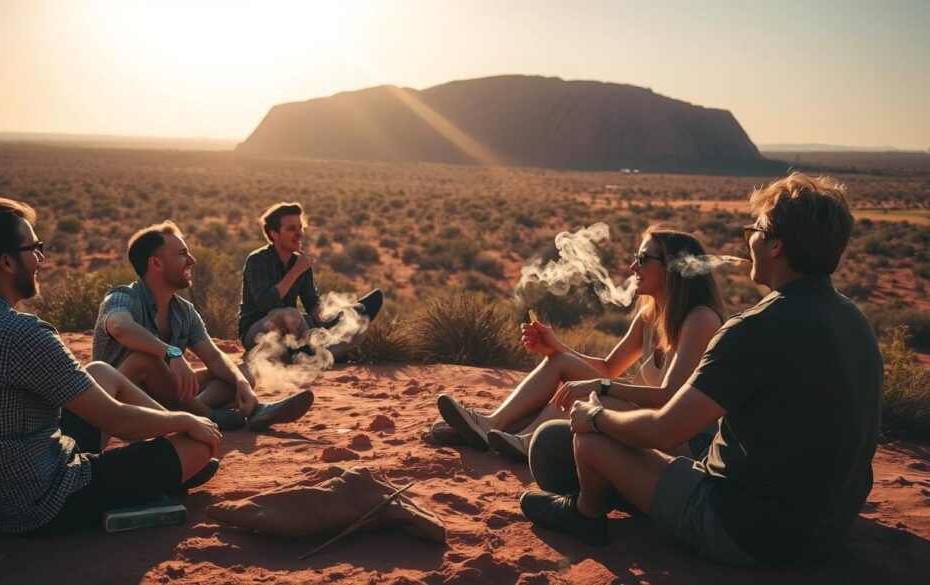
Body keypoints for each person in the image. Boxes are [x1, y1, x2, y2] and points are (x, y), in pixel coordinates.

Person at [520, 172, 882, 567]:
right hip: (828, 526)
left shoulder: (754, 329)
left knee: (582, 440)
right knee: (557, 443)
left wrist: (595, 416)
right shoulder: (854, 321)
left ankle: (585, 516)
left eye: (755, 230)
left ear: (776, 245)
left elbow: (665, 429)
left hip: (749, 528)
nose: (749, 240)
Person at [0, 195, 221, 535]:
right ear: (6, 262)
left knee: (101, 372)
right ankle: (174, 460)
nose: (41, 257)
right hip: (38, 503)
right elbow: (118, 421)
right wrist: (185, 419)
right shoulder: (22, 333)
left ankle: (169, 459)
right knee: (201, 444)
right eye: (34, 248)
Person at [437, 227, 726, 463]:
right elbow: (609, 368)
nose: (632, 266)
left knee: (596, 398)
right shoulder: (651, 315)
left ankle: (527, 439)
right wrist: (557, 346)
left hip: (684, 441)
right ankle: (491, 425)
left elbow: (669, 397)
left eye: (643, 258)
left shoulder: (700, 319)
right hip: (648, 422)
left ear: (673, 268)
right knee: (560, 363)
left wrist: (600, 387)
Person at [85, 220, 313, 432]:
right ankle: (211, 416)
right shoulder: (123, 297)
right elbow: (119, 327)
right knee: (145, 360)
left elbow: (213, 357)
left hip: (164, 397)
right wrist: (171, 352)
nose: (192, 260)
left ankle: (190, 415)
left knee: (240, 372)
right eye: (183, 254)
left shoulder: (183, 311)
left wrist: (242, 383)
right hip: (118, 404)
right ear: (155, 263)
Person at [238, 201, 383, 359]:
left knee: (356, 332)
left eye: (300, 227)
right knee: (290, 315)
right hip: (257, 333)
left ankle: (316, 354)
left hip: (291, 335)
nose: (299, 233)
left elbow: (311, 302)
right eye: (291, 229)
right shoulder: (258, 260)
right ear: (274, 234)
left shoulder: (300, 262)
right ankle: (317, 354)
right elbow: (266, 303)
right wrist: (296, 271)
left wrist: (337, 318)